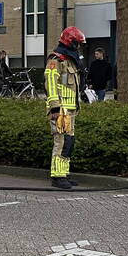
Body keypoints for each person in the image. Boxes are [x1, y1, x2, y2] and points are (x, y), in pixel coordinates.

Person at [45, 26, 84, 190]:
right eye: (77, 43)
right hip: (60, 110)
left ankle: (64, 173)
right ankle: (57, 176)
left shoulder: (69, 60)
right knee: (61, 142)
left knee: (69, 142)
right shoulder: (56, 60)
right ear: (70, 41)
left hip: (70, 110)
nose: (79, 46)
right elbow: (51, 84)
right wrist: (55, 108)